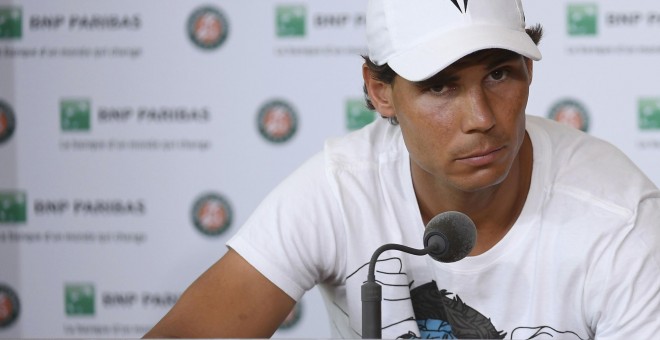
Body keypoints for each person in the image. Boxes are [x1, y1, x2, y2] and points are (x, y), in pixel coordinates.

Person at [144, 0, 660, 338]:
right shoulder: (341, 188)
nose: (481, 119)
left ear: (530, 69)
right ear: (379, 91)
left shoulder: (620, 218)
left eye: (500, 74)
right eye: (441, 86)